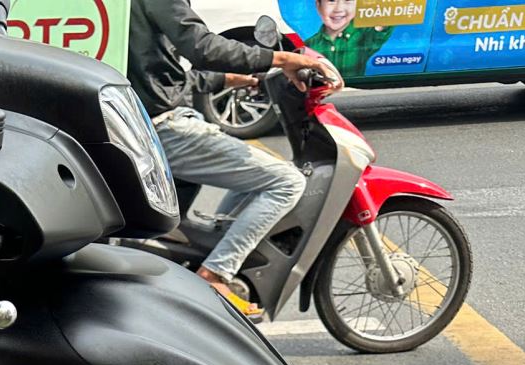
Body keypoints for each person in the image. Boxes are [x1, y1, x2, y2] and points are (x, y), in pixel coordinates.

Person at [127, 0, 338, 316]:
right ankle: (216, 273)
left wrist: (226, 79)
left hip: (141, 120)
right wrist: (281, 58)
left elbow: (157, 77)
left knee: (255, 175)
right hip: (163, 128)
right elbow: (202, 47)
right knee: (286, 181)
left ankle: (216, 249)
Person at [304, 0, 391, 80]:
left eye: (347, 0)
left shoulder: (364, 34)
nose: (338, 9)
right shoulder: (308, 45)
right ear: (318, 5)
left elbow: (381, 30)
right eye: (331, 0)